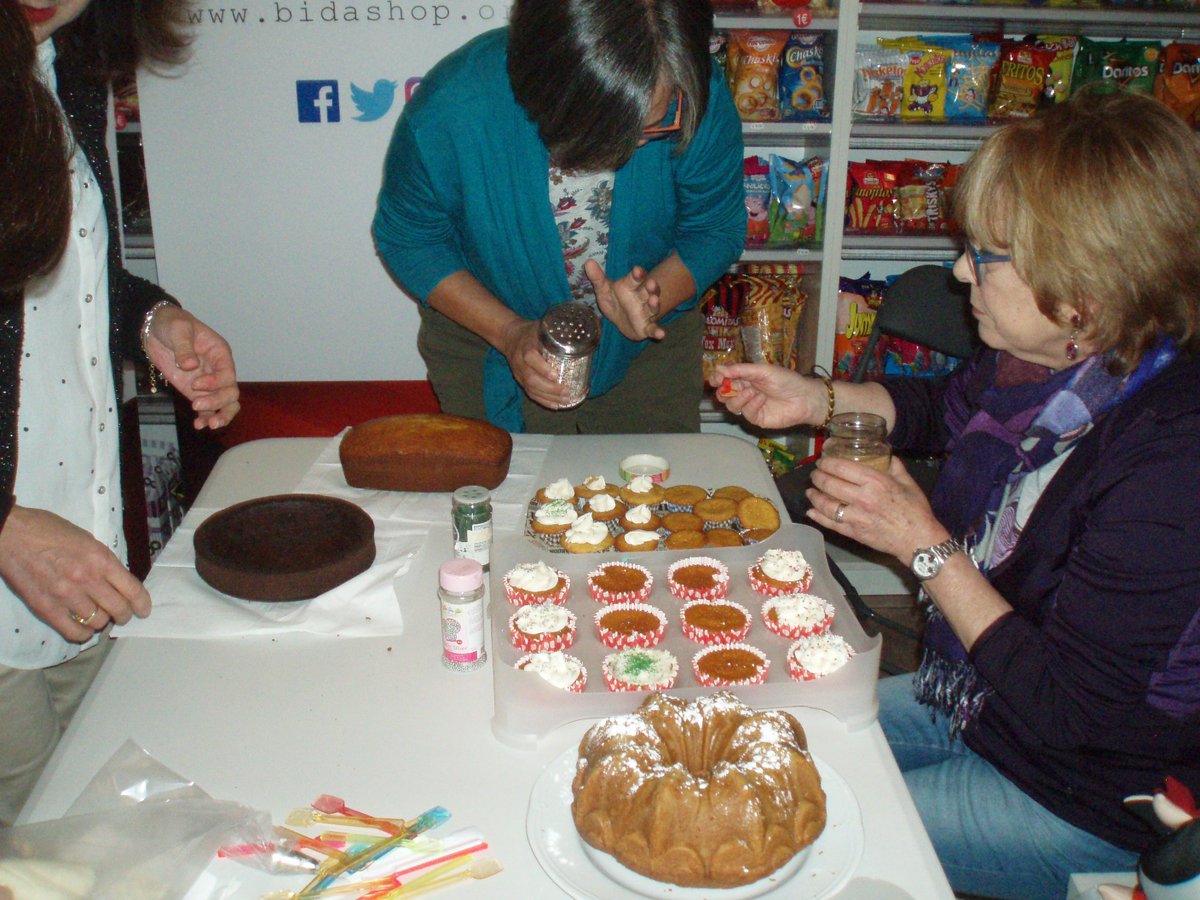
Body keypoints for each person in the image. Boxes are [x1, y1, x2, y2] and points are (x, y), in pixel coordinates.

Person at [712, 87, 1200, 899]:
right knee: (755, 740)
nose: (961, 270)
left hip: (1084, 794)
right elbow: (945, 407)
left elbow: (1075, 714)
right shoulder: (1063, 358)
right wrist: (814, 398)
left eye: (990, 255)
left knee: (771, 831)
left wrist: (923, 544)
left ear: (1086, 288)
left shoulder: (1173, 460)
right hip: (980, 702)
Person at [0, 0, 241, 826]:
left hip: (79, 544)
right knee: (31, 847)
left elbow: (54, 277)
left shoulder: (60, 64)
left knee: (101, 830)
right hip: (17, 549)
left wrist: (150, 320)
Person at [372, 0, 746, 434]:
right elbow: (411, 240)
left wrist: (653, 297)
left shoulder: (694, 91)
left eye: (654, 125)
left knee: (651, 492)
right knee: (510, 494)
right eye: (611, 130)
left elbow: (715, 227)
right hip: (486, 341)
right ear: (547, 92)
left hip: (646, 354)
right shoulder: (453, 109)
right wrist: (510, 334)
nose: (632, 150)